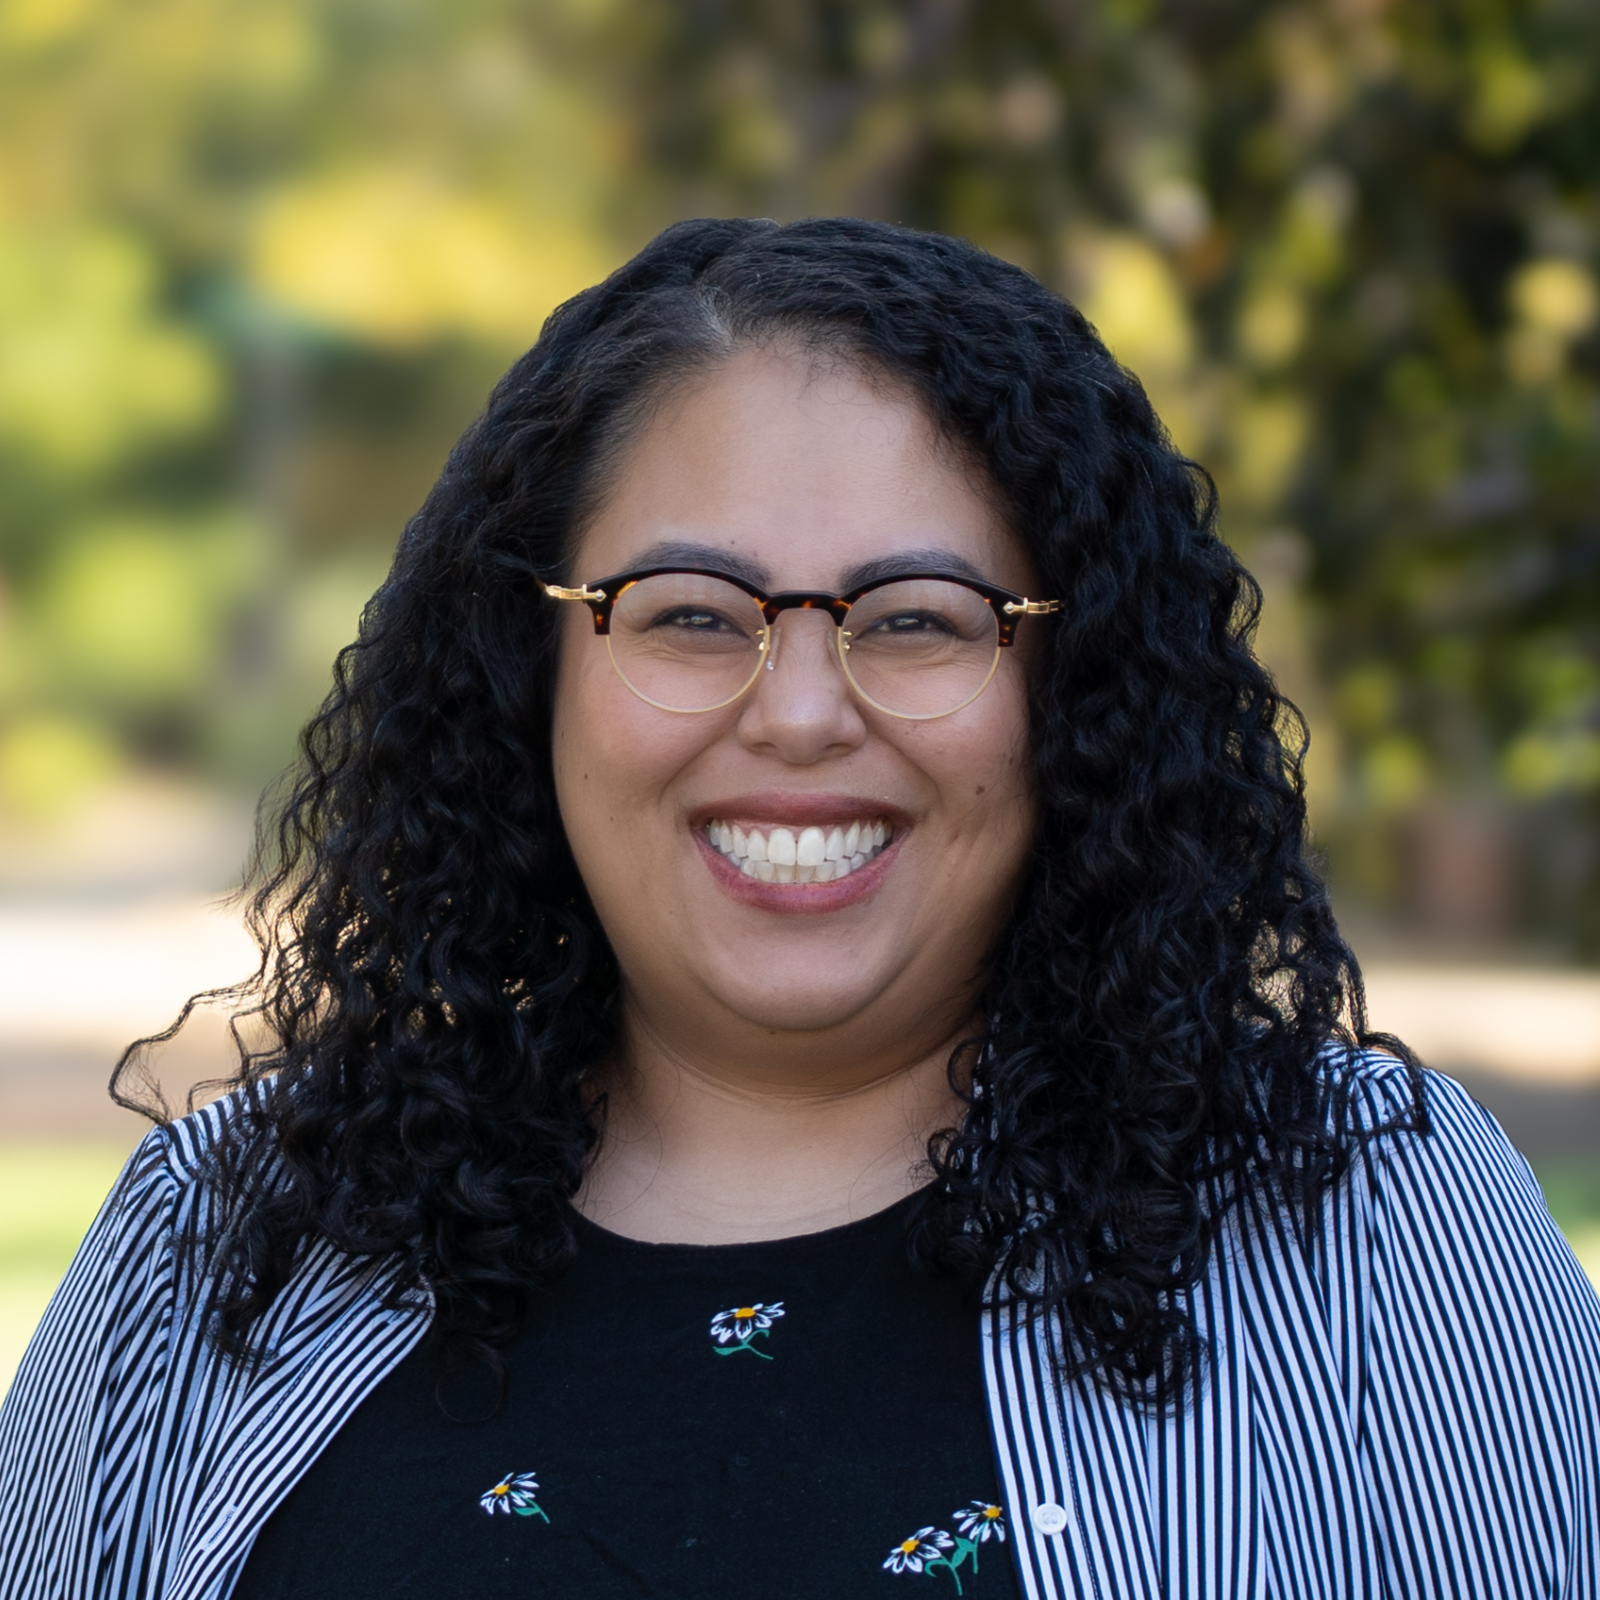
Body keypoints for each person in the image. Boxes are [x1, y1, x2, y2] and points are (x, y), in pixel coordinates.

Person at [1, 216, 1596, 1600]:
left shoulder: (1368, 1231)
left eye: (919, 618)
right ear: (530, 675)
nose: (803, 713)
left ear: (1077, 694)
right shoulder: (217, 1253)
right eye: (693, 615)